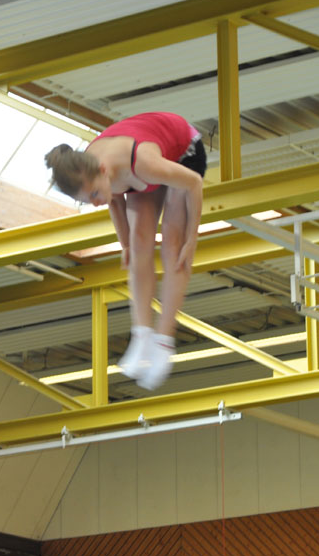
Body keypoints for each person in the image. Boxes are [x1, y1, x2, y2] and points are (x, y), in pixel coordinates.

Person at [45, 111, 205, 390]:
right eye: (87, 201)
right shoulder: (95, 171)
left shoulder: (143, 164)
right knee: (139, 241)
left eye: (94, 194)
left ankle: (163, 342)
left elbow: (194, 183)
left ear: (103, 170)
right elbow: (113, 200)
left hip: (182, 153)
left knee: (172, 245)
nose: (95, 202)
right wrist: (126, 245)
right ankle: (142, 334)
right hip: (135, 162)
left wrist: (192, 240)